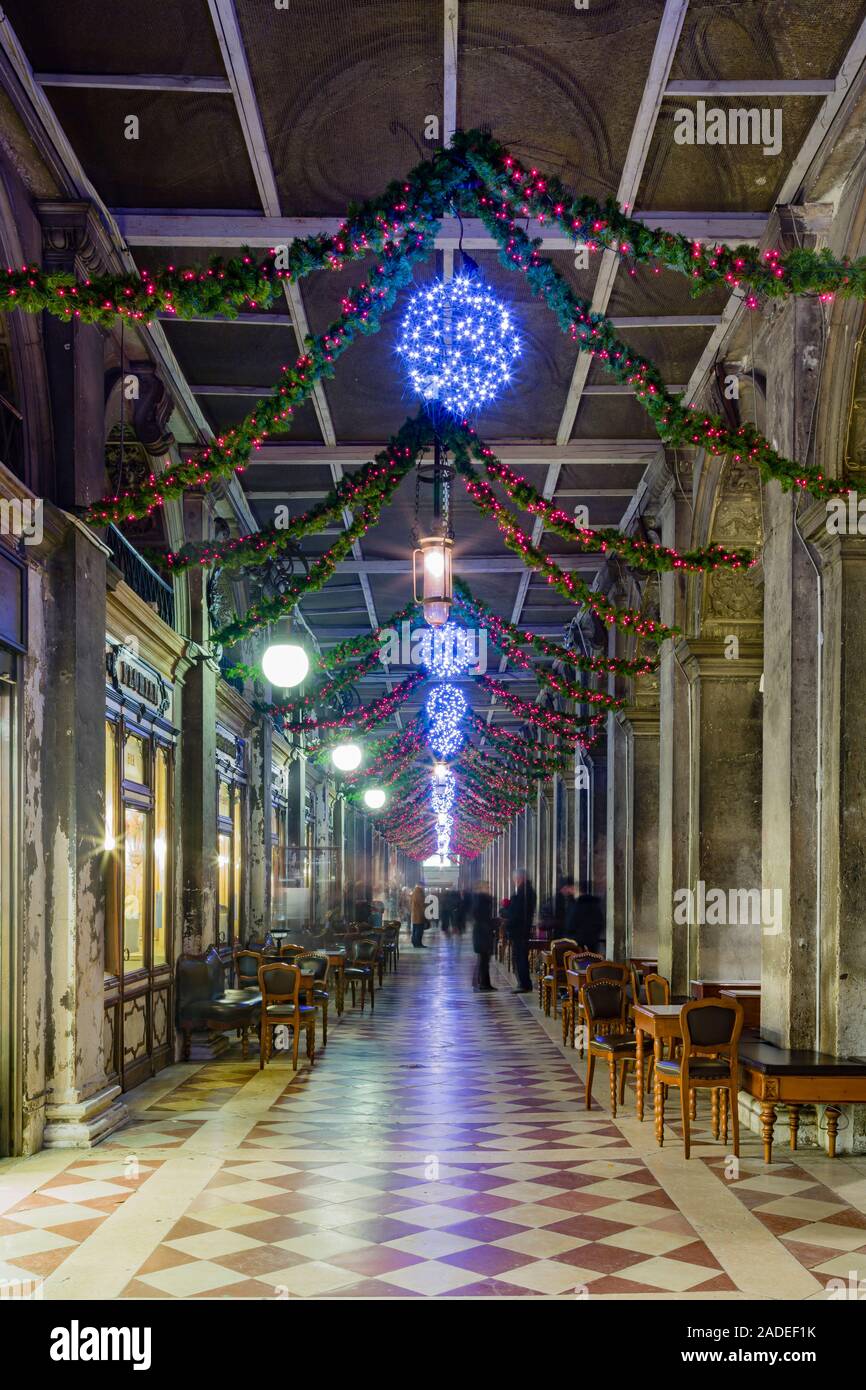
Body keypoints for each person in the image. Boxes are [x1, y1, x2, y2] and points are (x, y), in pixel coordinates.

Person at [505, 868, 536, 993]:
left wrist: (506, 909)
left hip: (520, 930)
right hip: (522, 929)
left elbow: (516, 913)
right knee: (519, 957)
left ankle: (524, 984)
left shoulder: (524, 893)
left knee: (520, 957)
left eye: (515, 879)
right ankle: (523, 983)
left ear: (520, 878)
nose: (514, 882)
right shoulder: (525, 892)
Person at [471, 881, 496, 991]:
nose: (489, 888)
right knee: (483, 960)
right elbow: (481, 917)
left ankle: (485, 983)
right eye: (486, 887)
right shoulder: (481, 900)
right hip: (482, 933)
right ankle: (482, 984)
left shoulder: (483, 900)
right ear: (481, 888)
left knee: (484, 960)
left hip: (483, 932)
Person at [571, 885, 605, 956]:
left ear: (580, 891)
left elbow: (571, 923)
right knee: (593, 959)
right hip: (593, 940)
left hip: (579, 941)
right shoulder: (596, 905)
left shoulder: (577, 906)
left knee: (579, 961)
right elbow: (600, 922)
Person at [410, 882, 427, 948]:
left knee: (415, 929)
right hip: (419, 914)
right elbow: (422, 903)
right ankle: (418, 943)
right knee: (419, 930)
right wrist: (425, 911)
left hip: (415, 914)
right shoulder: (419, 892)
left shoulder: (414, 892)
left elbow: (410, 903)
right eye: (423, 886)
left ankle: (414, 942)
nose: (424, 887)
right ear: (421, 886)